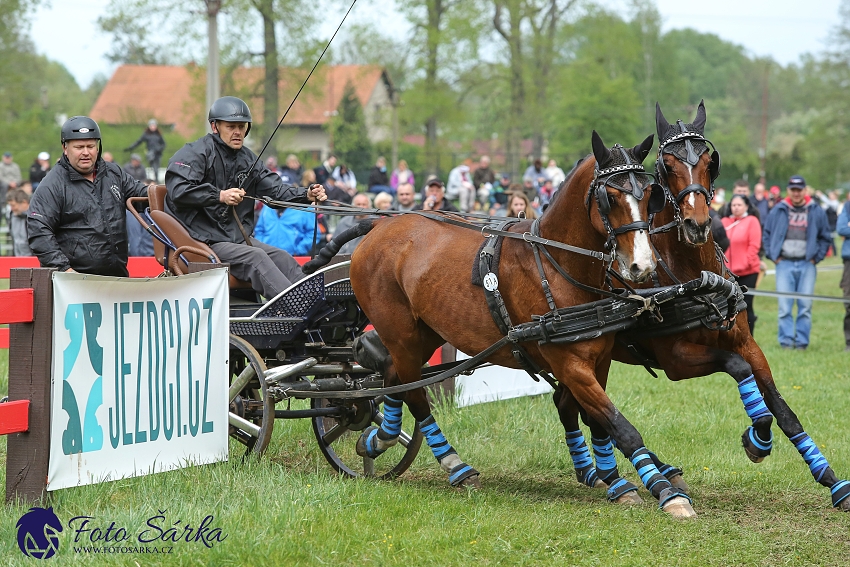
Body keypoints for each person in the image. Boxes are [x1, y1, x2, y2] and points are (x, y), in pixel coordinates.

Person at [164, 96, 326, 299]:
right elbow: (179, 190)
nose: (238, 132)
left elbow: (275, 190)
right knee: (256, 257)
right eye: (231, 126)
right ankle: (296, 307)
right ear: (215, 126)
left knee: (282, 257)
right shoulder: (195, 153)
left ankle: (316, 304)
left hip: (236, 239)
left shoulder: (248, 159)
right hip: (203, 241)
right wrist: (219, 195)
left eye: (242, 126)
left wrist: (306, 194)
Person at [27, 116, 150, 275]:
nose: (86, 152)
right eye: (79, 147)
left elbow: (143, 196)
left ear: (97, 147)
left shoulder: (114, 174)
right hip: (75, 284)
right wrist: (65, 270)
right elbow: (38, 231)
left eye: (90, 146)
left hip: (117, 279)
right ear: (65, 148)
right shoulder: (52, 185)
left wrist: (171, 192)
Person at [762, 175, 832, 350]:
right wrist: (773, 256)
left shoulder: (816, 210)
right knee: (784, 306)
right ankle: (786, 342)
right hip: (784, 263)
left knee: (805, 306)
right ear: (788, 191)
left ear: (804, 191)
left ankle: (801, 342)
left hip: (807, 264)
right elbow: (767, 234)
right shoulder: (779, 209)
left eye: (799, 190)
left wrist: (817, 257)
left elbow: (825, 237)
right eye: (793, 190)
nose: (796, 193)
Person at [722, 195, 762, 334]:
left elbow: (754, 245)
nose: (736, 208)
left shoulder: (752, 221)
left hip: (748, 273)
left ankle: (749, 335)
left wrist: (745, 263)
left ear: (746, 206)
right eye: (733, 205)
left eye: (739, 205)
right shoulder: (724, 221)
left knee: (746, 305)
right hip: (727, 274)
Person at [254, 202, 321, 257]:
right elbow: (259, 230)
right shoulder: (267, 207)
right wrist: (262, 248)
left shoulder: (304, 208)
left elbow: (313, 233)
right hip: (268, 256)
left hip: (293, 257)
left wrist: (299, 250)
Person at [837, 193, 850, 351]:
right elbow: (841, 228)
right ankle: (849, 342)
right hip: (849, 262)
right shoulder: (847, 206)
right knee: (849, 302)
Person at [7, 189, 32, 256]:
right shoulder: (12, 216)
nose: (12, 208)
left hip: (33, 261)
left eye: (13, 205)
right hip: (17, 260)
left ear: (24, 202)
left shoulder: (35, 218)